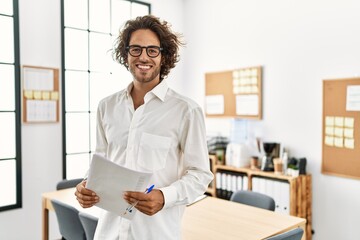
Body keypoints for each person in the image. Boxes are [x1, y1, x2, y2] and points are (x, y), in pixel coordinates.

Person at [74, 15, 213, 240]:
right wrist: (86, 187)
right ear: (126, 54)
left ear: (163, 56)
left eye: (152, 50)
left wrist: (164, 196)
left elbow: (200, 175)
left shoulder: (186, 110)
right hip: (108, 233)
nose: (143, 57)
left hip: (156, 233)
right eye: (136, 49)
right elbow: (101, 162)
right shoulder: (106, 107)